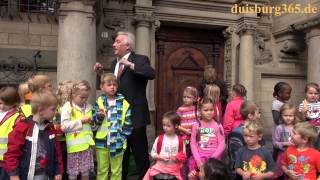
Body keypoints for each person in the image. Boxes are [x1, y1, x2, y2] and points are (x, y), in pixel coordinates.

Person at [94, 31, 155, 180]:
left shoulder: (140, 59)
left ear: (127, 46)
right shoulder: (114, 63)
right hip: (117, 117)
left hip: (135, 115)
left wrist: (131, 65)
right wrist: (101, 74)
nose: (114, 44)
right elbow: (111, 86)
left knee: (140, 154)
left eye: (117, 42)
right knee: (122, 153)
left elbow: (151, 73)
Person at [4, 90, 63, 180]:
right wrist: (14, 175)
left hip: (46, 175)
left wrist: (58, 171)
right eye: (53, 109)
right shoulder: (23, 127)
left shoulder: (50, 129)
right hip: (26, 176)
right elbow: (12, 153)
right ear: (41, 110)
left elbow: (57, 152)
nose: (56, 112)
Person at [94, 73, 133, 180]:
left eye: (114, 85)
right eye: (109, 85)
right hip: (102, 142)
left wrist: (122, 137)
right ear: (102, 87)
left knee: (116, 171)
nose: (112, 87)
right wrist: (99, 117)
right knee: (102, 170)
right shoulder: (99, 102)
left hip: (118, 142)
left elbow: (128, 124)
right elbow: (94, 122)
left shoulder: (125, 103)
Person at [60, 80, 95, 180]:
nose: (84, 100)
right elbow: (64, 126)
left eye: (86, 97)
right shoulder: (68, 107)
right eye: (81, 97)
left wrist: (93, 123)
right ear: (73, 95)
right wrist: (80, 121)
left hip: (87, 146)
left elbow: (92, 127)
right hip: (74, 147)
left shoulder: (89, 107)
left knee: (85, 171)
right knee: (73, 173)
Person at [143, 111, 186, 180]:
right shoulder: (159, 139)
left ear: (176, 126)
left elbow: (183, 155)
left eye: (168, 126)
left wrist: (178, 158)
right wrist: (159, 157)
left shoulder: (180, 140)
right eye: (164, 125)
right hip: (159, 169)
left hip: (174, 170)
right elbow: (153, 153)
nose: (165, 128)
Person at [189, 98, 225, 173]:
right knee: (196, 175)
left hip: (213, 161)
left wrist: (212, 159)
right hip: (199, 162)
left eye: (211, 110)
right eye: (206, 110)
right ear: (200, 111)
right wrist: (198, 160)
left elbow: (222, 144)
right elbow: (193, 143)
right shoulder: (196, 126)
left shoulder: (218, 125)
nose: (209, 112)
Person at [227, 101, 262, 178]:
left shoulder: (257, 131)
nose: (260, 116)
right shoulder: (237, 133)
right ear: (250, 116)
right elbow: (235, 158)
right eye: (258, 113)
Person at [176, 86, 199, 179]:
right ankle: (183, 175)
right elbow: (176, 125)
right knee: (184, 156)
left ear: (195, 99)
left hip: (196, 138)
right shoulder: (180, 110)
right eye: (184, 97)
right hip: (185, 138)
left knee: (195, 157)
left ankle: (194, 175)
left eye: (188, 97)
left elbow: (200, 122)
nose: (185, 99)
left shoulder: (197, 109)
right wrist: (185, 130)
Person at [0, 87, 22, 180]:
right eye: (0, 103)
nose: (2, 106)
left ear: (14, 103)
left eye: (6, 104)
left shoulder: (18, 117)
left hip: (7, 163)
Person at [55, 80, 74, 180]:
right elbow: (59, 126)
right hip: (63, 143)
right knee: (66, 168)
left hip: (65, 142)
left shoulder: (58, 107)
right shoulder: (64, 108)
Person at [272, 103, 297, 179]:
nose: (288, 118)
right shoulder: (279, 128)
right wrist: (285, 143)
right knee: (281, 175)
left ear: (294, 116)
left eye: (290, 116)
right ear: (281, 116)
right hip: (282, 156)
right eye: (285, 116)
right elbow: (275, 143)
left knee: (292, 174)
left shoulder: (297, 127)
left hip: (294, 156)